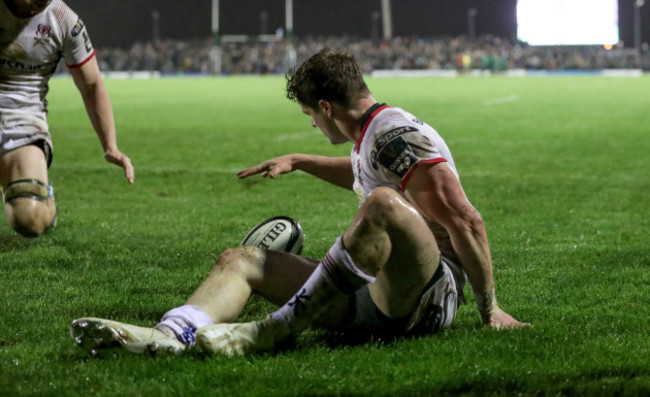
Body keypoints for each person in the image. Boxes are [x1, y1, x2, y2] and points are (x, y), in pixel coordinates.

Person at [70, 48, 529, 357]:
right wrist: (300, 160)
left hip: (429, 296)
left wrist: (489, 308)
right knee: (241, 260)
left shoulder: (394, 135)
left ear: (326, 107)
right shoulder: (371, 137)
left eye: (309, 114)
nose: (311, 124)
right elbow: (361, 171)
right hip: (376, 293)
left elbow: (465, 219)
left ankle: (276, 328)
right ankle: (170, 335)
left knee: (384, 204)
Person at [0, 0, 133, 237]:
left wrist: (110, 146)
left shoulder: (65, 23)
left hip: (22, 120)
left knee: (30, 220)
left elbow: (92, 84)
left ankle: (42, 196)